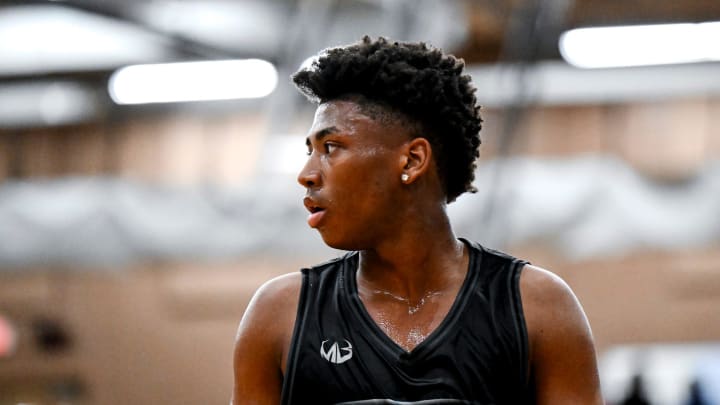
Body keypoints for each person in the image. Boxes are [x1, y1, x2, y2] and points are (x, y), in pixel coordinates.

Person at [232, 36, 603, 404]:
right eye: (309, 151)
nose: (307, 174)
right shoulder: (279, 315)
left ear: (411, 161)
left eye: (331, 148)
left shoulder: (538, 307)